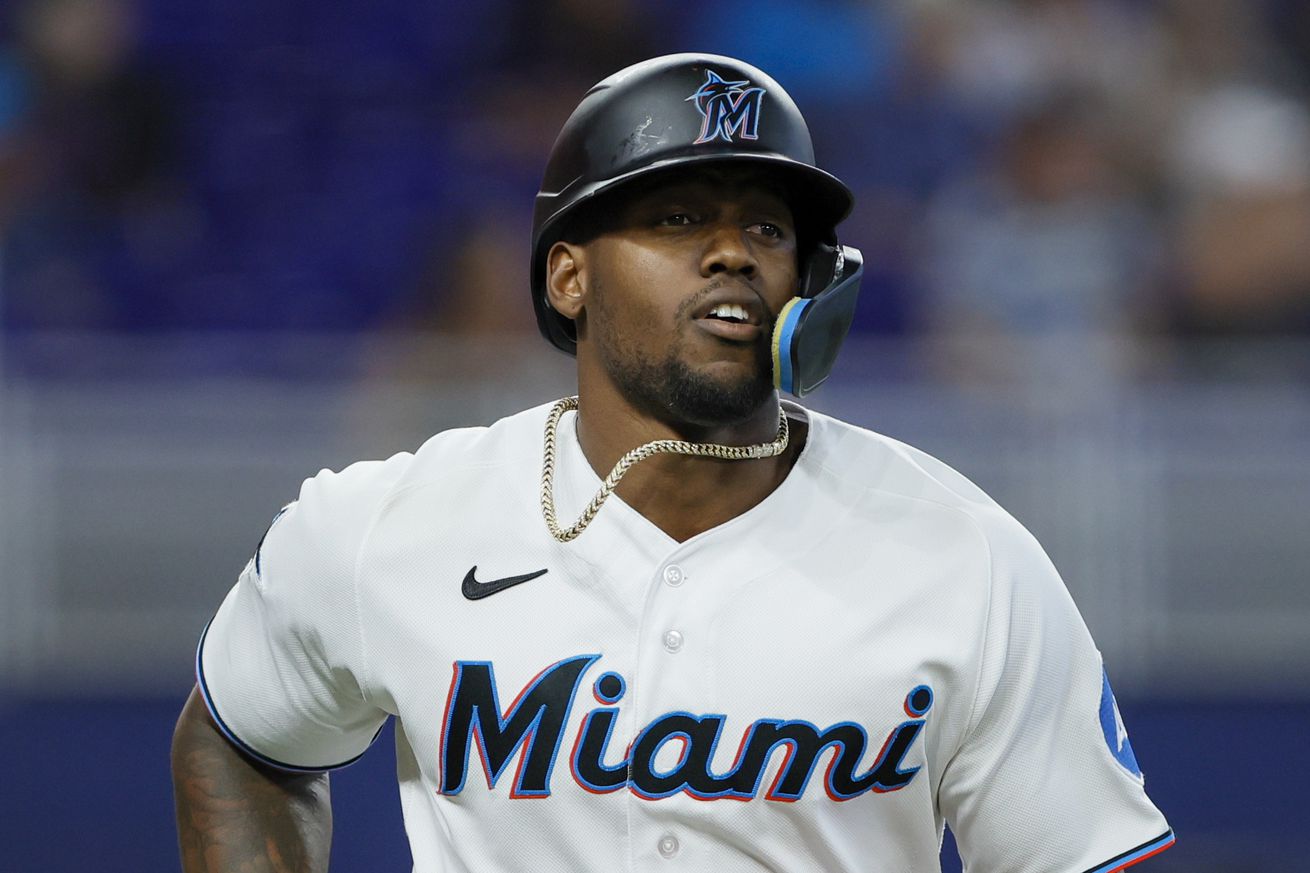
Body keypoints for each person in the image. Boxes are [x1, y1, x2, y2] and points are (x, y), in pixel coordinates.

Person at [171, 54, 1174, 872]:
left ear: (810, 281)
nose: (732, 253)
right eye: (677, 218)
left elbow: (1085, 854)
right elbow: (237, 737)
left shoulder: (965, 558)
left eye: (768, 229)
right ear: (568, 275)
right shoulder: (393, 524)